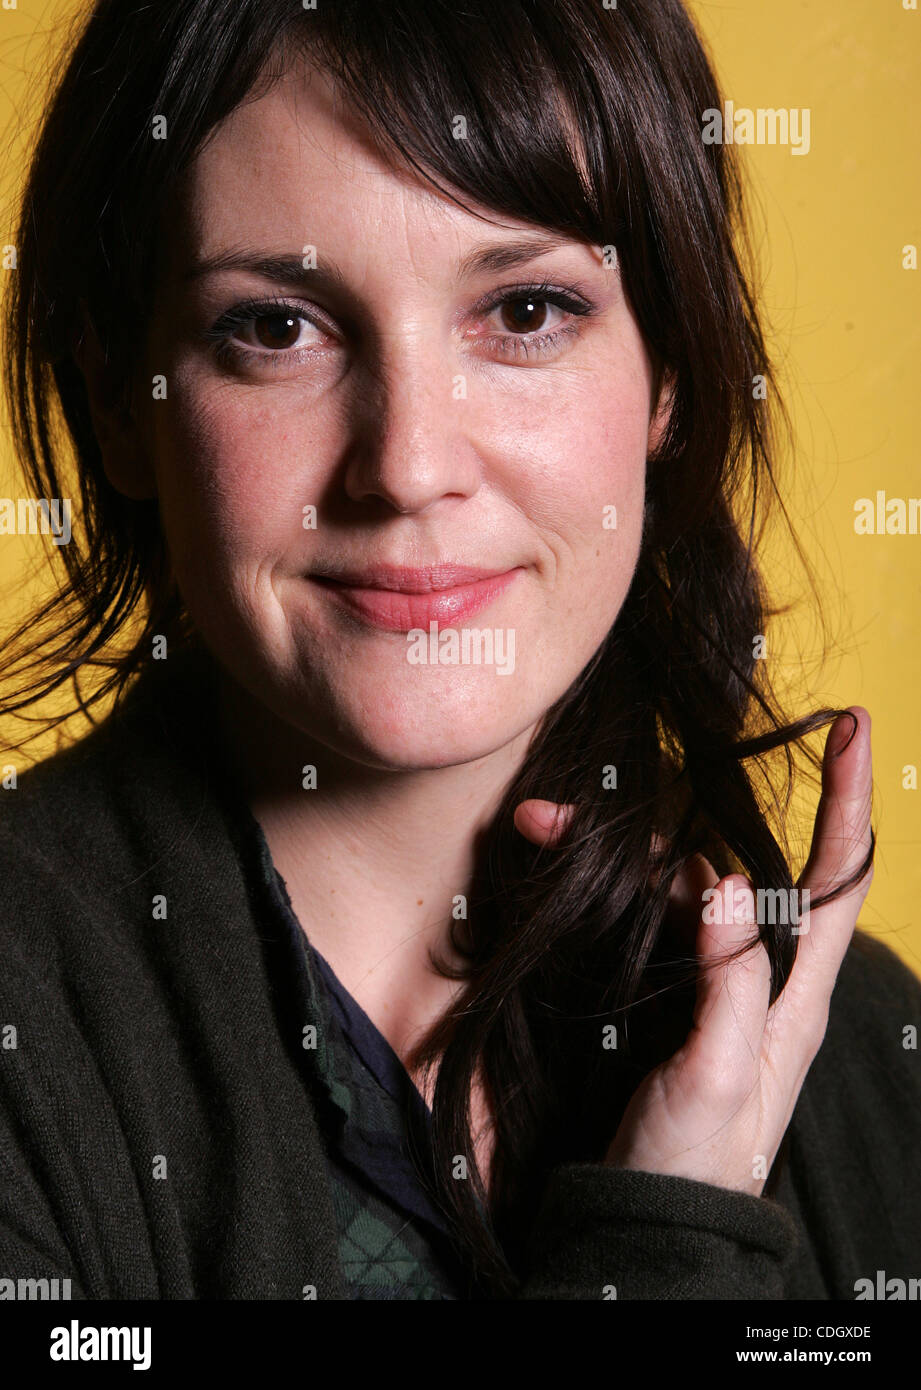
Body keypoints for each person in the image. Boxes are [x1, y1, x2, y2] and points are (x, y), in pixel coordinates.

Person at [0, 0, 917, 1302]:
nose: (409, 464)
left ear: (668, 375)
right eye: (277, 327)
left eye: (527, 310)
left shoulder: (871, 1062)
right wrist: (670, 1241)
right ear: (121, 403)